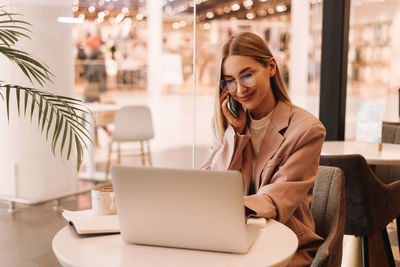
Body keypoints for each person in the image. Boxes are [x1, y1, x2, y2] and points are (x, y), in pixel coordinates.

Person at [201, 32, 326, 266]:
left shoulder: (306, 129)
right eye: (229, 80)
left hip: (285, 242)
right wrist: (235, 136)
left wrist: (220, 205)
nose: (239, 89)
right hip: (233, 238)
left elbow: (274, 199)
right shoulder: (227, 126)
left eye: (247, 75)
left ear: (270, 67)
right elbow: (212, 185)